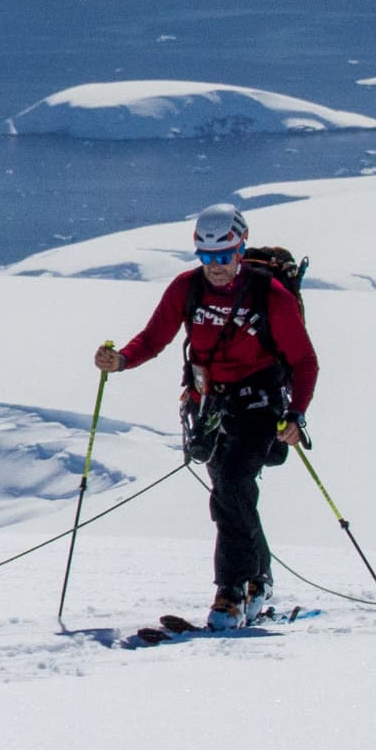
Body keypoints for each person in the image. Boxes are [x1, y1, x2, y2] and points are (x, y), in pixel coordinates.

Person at [95, 202, 319, 624]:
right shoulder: (186, 288)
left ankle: (230, 594)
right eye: (207, 256)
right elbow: (154, 336)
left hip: (259, 404)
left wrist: (296, 415)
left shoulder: (270, 296)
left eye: (224, 255)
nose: (215, 266)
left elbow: (305, 360)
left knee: (231, 486)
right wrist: (121, 360)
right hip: (209, 406)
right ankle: (260, 579)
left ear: (240, 248)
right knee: (232, 493)